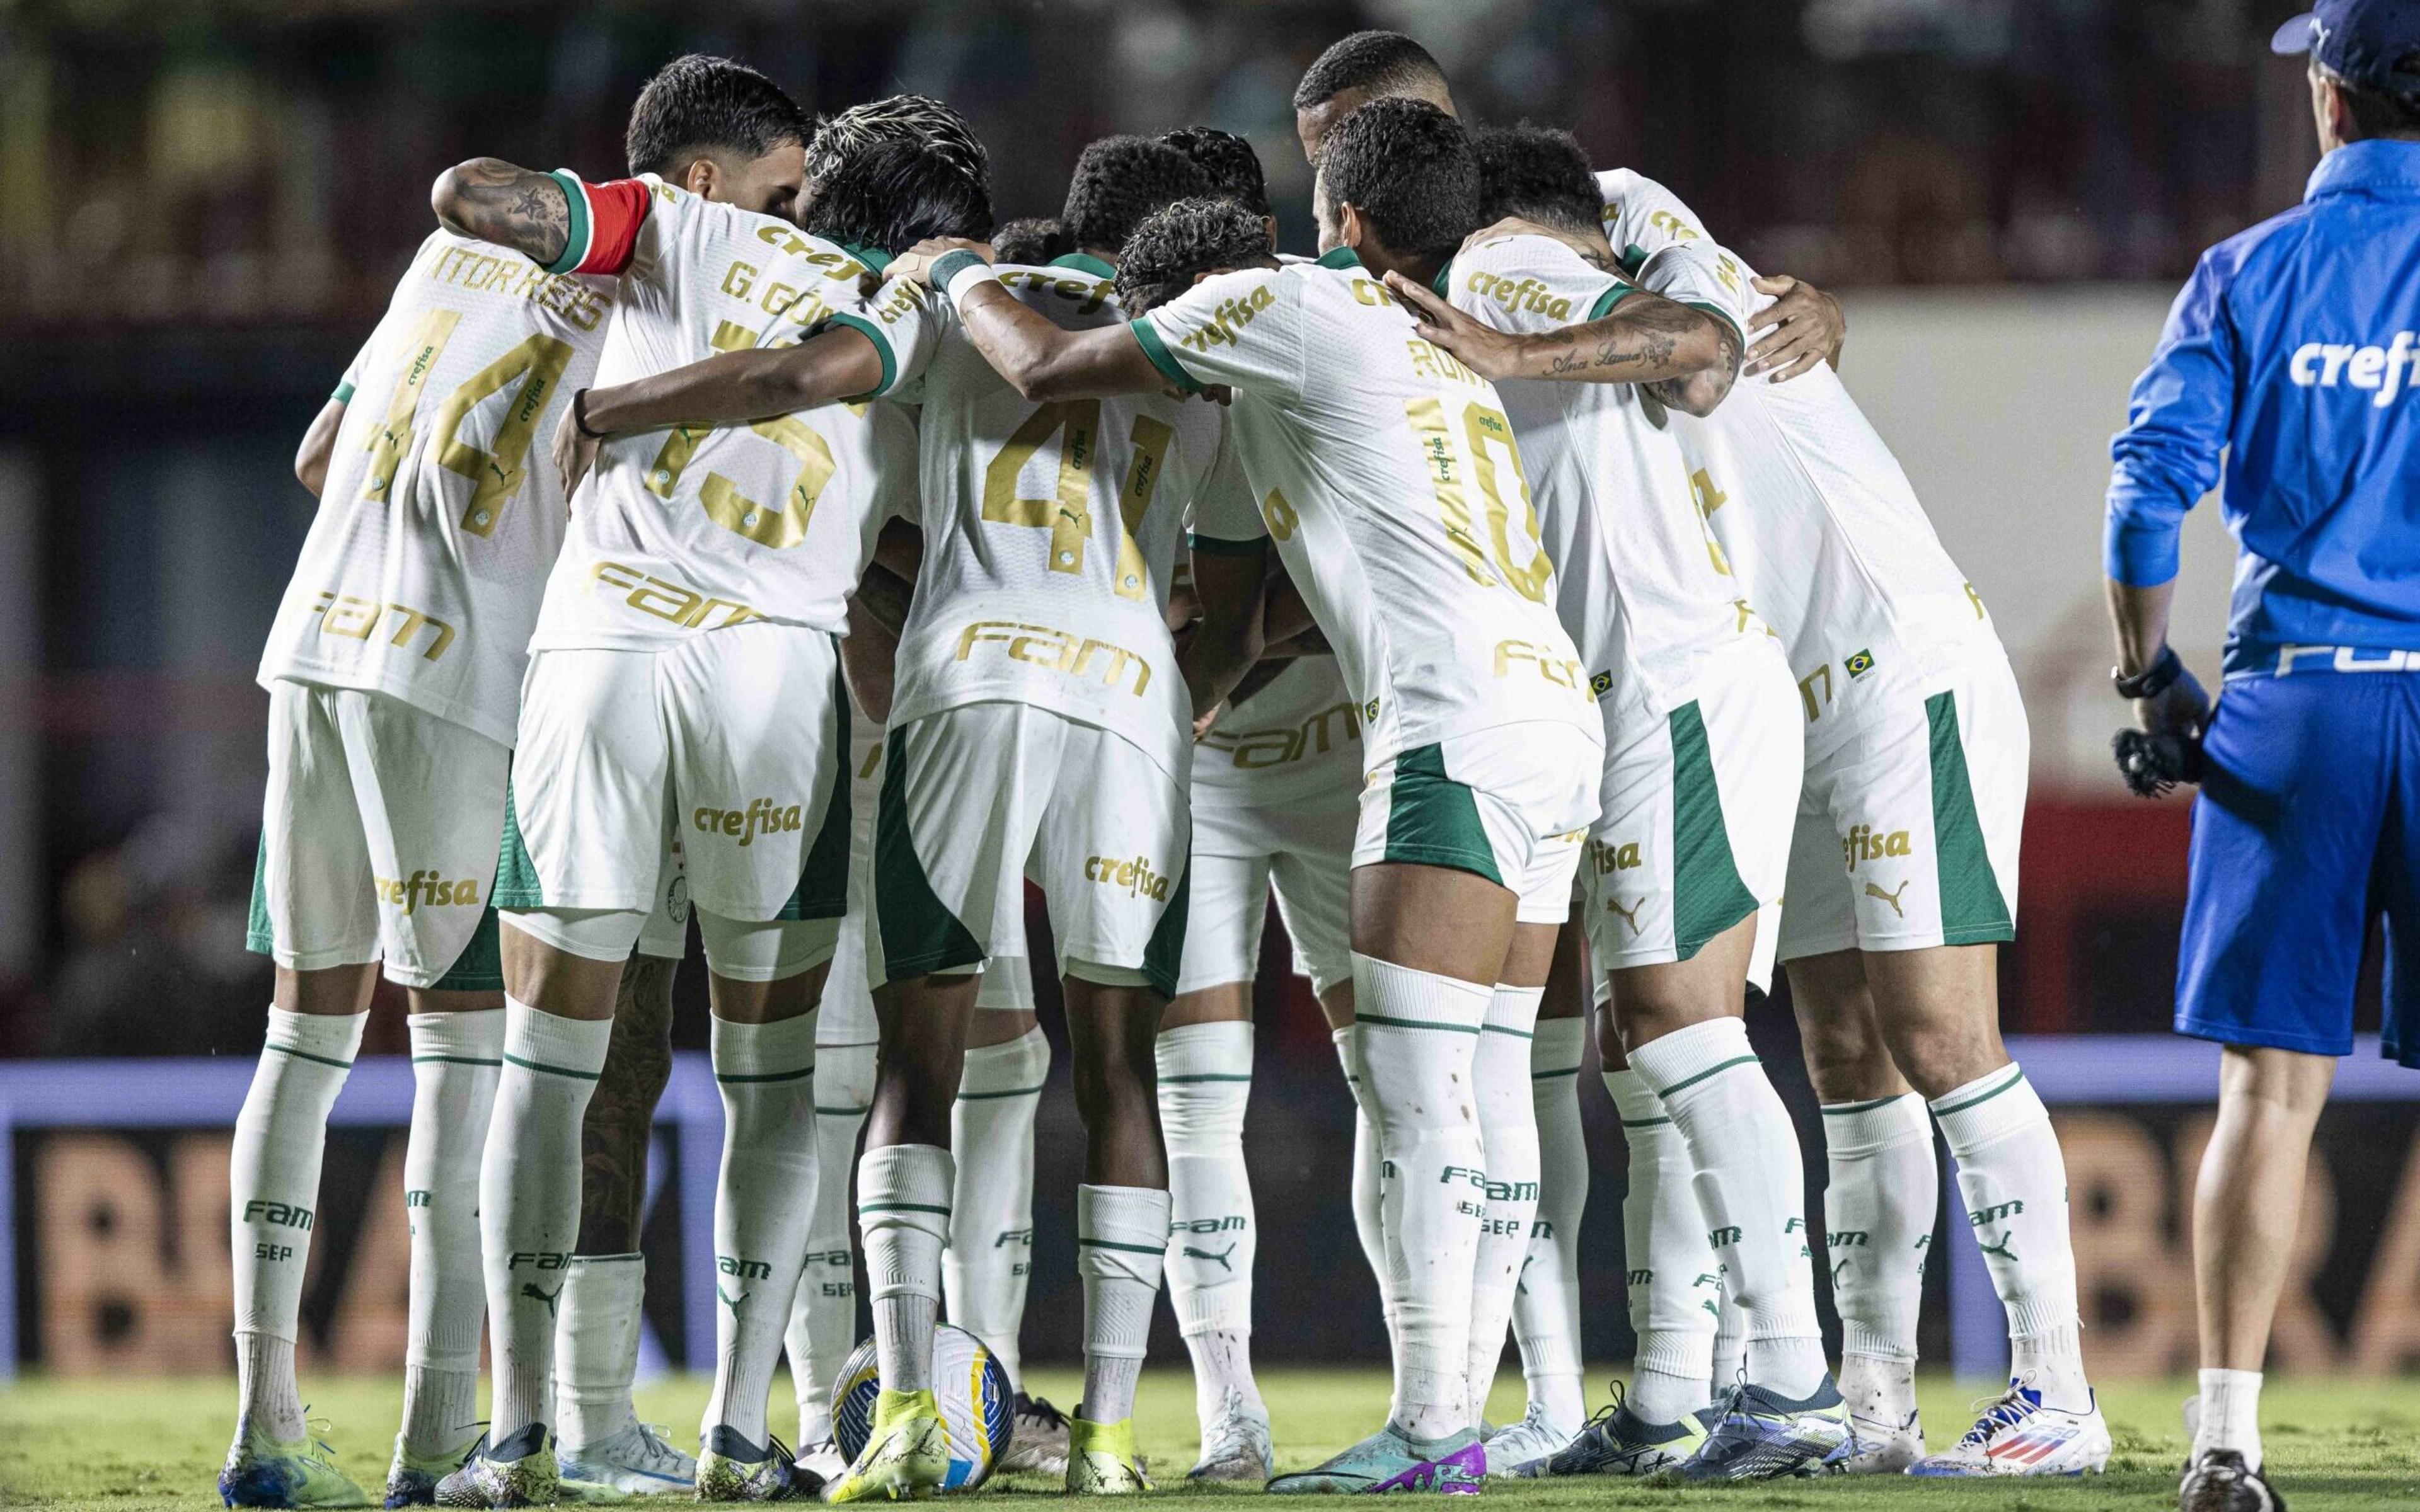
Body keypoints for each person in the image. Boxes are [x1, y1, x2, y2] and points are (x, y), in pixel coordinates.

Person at [887, 96, 1728, 1491]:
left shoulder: (1255, 306)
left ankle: (1436, 1423)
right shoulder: (1402, 333)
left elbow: (1045, 366)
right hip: (1550, 712)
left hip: (1448, 722)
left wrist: (955, 273)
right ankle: (1471, 1408)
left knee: (1411, 1095)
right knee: (1481, 1086)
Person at [1342, 26, 2104, 1477]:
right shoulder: (1628, 275)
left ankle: (2057, 1390)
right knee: (1837, 1056)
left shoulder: (1592, 233)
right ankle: (1863, 1405)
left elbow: (1700, 340)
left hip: (1895, 660)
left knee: (1937, 1034)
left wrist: (1532, 333)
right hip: (1786, 686)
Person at [572, 132, 1229, 1499]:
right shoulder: (1201, 358)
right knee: (1111, 1074)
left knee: (902, 1070)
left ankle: (904, 1409)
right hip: (1132, 705)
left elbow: (813, 397)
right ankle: (1105, 1438)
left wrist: (610, 414)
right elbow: (1219, 585)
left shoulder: (951, 303)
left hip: (966, 681)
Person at [422, 69, 988, 1506]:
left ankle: (514, 1438)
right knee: (772, 1080)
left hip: (601, 656)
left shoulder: (672, 223)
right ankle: (742, 1433)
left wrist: (579, 245)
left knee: (545, 1072)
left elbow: (475, 199)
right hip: (773, 682)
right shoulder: (916, 308)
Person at [224, 88, 680, 1506]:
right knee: (459, 1052)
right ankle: (435, 1440)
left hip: (313, 651)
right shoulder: (648, 293)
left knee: (302, 1038)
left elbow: (316, 457)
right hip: (451, 681)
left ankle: (266, 1427)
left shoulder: (443, 266)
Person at [1432, 123, 1850, 1482]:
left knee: (1677, 1025)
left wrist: (1516, 348)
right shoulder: (1541, 262)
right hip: (1659, 684)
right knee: (1653, 1037)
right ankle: (1672, 1393)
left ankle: (1792, 1380)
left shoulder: (1503, 263)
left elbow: (1701, 348)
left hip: (1670, 686)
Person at [2107, 8, 2420, 1509]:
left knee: (2269, 1094)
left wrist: (2152, 676)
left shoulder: (2249, 273)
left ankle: (2226, 1445)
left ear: (2329, 93)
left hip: (2296, 703)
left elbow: (2142, 509)